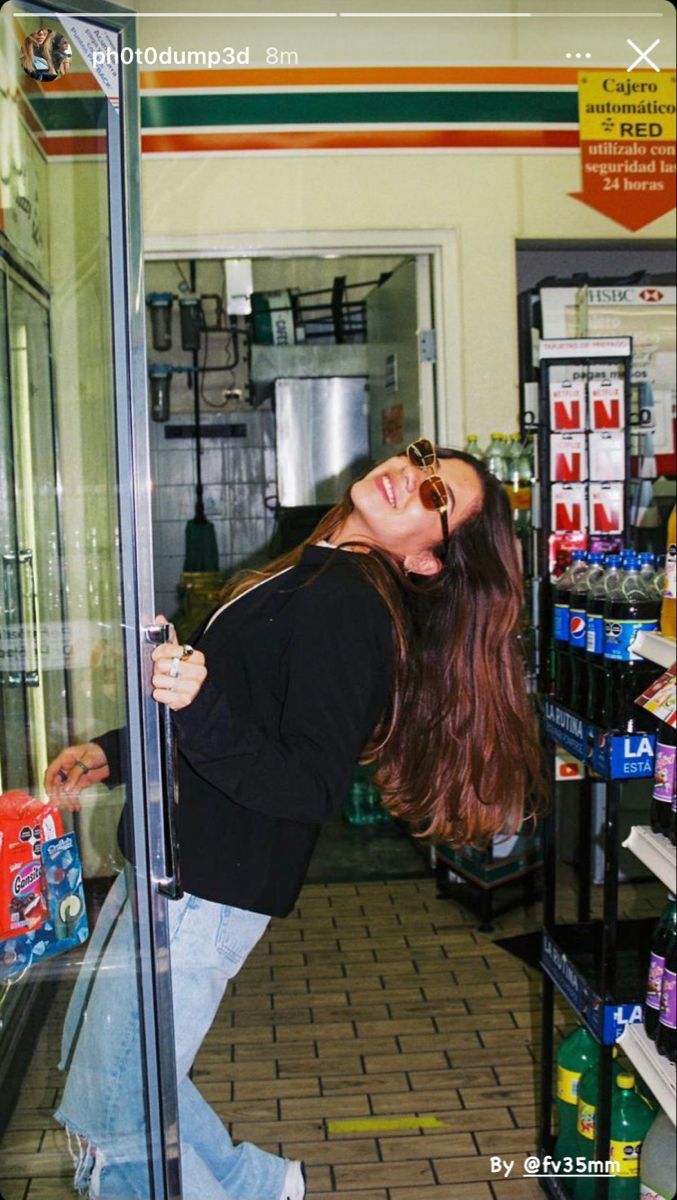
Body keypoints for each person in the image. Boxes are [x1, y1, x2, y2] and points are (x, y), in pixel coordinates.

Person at [45, 440, 542, 1200]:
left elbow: (308, 783)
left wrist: (196, 707)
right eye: (420, 461)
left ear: (428, 562)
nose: (410, 478)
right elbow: (235, 706)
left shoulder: (349, 604)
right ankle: (258, 1186)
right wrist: (116, 753)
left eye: (435, 497)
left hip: (203, 885)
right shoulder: (312, 567)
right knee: (127, 1087)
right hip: (177, 863)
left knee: (118, 1116)